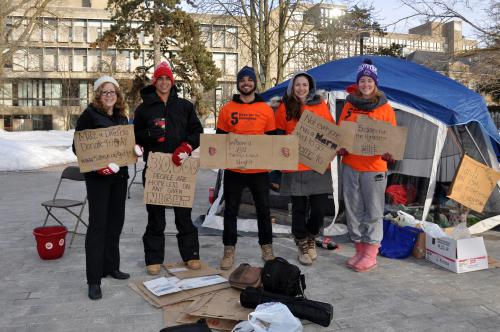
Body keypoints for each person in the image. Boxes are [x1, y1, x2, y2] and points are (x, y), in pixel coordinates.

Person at [134, 61, 203, 275]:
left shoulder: (184, 106)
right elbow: (135, 136)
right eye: (160, 78)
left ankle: (191, 254)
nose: (164, 82)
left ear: (172, 82)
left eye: (167, 79)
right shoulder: (144, 109)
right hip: (156, 168)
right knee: (155, 216)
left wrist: (187, 146)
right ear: (155, 82)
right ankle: (153, 258)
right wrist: (146, 138)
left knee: (184, 215)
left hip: (180, 166)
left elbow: (197, 131)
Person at [73, 76, 133, 300]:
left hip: (119, 178)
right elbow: (77, 147)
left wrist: (133, 149)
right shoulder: (89, 116)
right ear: (98, 95)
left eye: (113, 92)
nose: (109, 96)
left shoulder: (121, 117)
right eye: (105, 92)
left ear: (118, 96)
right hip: (98, 180)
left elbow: (124, 146)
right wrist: (98, 167)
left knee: (115, 223)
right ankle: (94, 279)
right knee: (98, 227)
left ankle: (111, 266)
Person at [337, 58, 396, 272]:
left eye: (369, 81)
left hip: (374, 168)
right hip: (351, 164)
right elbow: (342, 130)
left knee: (373, 210)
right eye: (362, 80)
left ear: (375, 83)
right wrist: (341, 146)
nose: (365, 84)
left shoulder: (385, 108)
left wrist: (391, 152)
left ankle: (371, 253)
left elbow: (392, 138)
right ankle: (359, 249)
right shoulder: (349, 105)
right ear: (358, 82)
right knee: (353, 209)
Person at [216, 66, 276, 270]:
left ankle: (267, 248)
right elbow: (219, 140)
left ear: (255, 84)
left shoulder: (266, 110)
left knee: (264, 211)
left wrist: (272, 162)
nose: (246, 83)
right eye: (243, 80)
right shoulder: (227, 109)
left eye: (250, 80)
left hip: (259, 171)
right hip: (234, 170)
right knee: (230, 211)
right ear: (238, 84)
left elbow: (273, 141)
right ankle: (228, 249)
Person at [275, 71, 335, 266]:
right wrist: (282, 147)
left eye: (305, 85)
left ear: (311, 88)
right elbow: (278, 134)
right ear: (292, 87)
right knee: (299, 208)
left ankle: (311, 236)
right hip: (294, 165)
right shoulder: (285, 106)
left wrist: (334, 147)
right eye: (298, 85)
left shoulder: (321, 105)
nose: (301, 88)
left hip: (317, 164)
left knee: (318, 208)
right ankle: (301, 242)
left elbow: (330, 131)